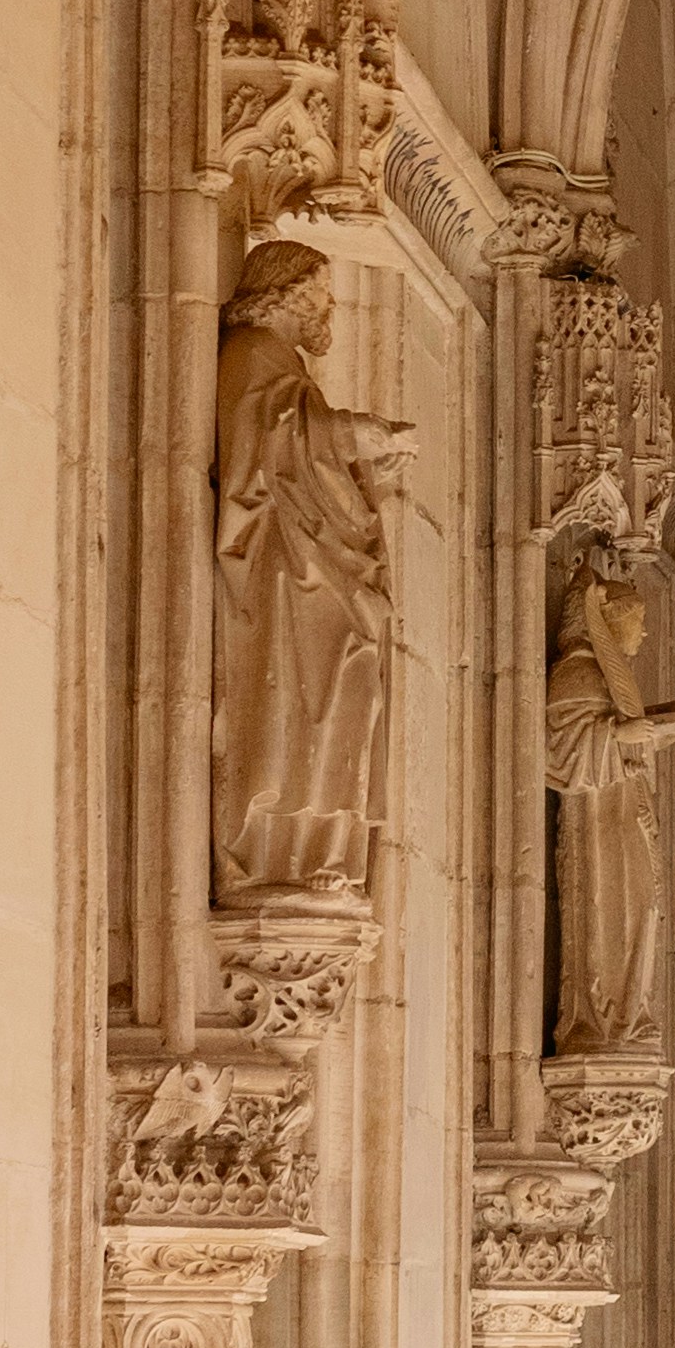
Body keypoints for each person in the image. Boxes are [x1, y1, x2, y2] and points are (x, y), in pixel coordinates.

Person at [211, 237, 409, 898]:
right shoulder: (250, 357)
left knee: (351, 699)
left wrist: (362, 455)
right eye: (322, 292)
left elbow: (303, 451)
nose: (330, 306)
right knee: (305, 705)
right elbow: (264, 451)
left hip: (324, 574)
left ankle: (331, 845)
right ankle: (278, 851)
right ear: (289, 293)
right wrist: (350, 435)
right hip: (289, 577)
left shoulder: (286, 370)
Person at [545, 547, 675, 1056]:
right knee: (614, 915)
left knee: (643, 911)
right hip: (599, 829)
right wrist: (621, 736)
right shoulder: (578, 675)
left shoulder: (606, 680)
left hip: (627, 817)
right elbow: (558, 755)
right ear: (608, 622)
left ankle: (632, 1014)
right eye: (636, 623)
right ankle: (604, 1021)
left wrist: (644, 733)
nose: (644, 635)